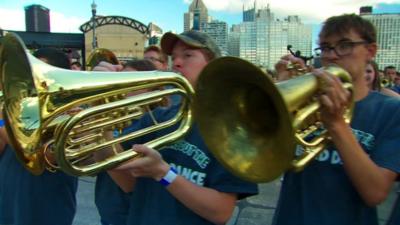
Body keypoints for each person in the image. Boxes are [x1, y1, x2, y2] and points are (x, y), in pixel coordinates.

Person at [95, 30, 259, 225]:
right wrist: (100, 119)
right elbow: (128, 183)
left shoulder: (232, 131)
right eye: (174, 57)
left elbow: (221, 212)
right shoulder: (157, 118)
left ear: (214, 66)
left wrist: (164, 174)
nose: (177, 63)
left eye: (188, 55)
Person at [273, 14, 400, 225]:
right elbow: (267, 163)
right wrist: (278, 97)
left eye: (344, 45)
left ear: (370, 51)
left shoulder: (390, 111)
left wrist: (336, 124)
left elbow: (375, 193)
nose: (332, 55)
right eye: (325, 48)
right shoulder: (306, 103)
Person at [0, 48, 78, 225]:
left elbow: (45, 155)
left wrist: (2, 121)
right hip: (9, 204)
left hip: (44, 209)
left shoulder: (68, 115)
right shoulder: (22, 109)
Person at [94, 59, 159, 225]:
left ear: (151, 90)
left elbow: (129, 184)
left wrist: (99, 120)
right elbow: (90, 165)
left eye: (131, 83)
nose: (122, 88)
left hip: (133, 216)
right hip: (108, 213)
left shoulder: (154, 124)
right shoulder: (115, 119)